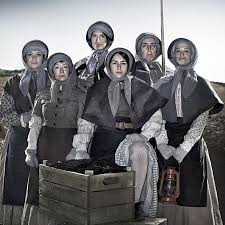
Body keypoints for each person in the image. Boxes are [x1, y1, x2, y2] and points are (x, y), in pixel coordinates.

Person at [66, 47, 168, 220]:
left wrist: (143, 136)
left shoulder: (139, 86)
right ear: (108, 65)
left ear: (128, 66)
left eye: (123, 63)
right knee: (102, 185)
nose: (119, 67)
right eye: (114, 63)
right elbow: (86, 123)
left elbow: (155, 117)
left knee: (141, 150)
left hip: (129, 138)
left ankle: (132, 204)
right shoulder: (98, 88)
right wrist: (81, 148)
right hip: (104, 140)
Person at [156, 38, 224, 225]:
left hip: (191, 143)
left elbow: (200, 120)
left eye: (186, 51)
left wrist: (184, 148)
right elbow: (157, 116)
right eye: (178, 51)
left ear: (192, 54)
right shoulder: (163, 83)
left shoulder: (201, 83)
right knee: (166, 186)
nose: (182, 54)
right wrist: (162, 143)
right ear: (172, 55)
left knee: (192, 187)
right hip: (167, 139)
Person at [23, 52, 86, 225]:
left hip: (67, 146)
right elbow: (35, 125)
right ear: (51, 71)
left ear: (71, 70)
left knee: (65, 191)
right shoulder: (42, 95)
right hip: (45, 147)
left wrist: (78, 150)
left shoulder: (80, 95)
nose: (61, 71)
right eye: (57, 68)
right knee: (40, 190)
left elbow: (84, 126)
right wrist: (31, 150)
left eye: (65, 67)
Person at [0, 40, 49, 225]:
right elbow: (3, 112)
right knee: (17, 183)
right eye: (30, 54)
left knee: (41, 183)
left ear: (44, 57)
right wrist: (23, 119)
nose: (34, 58)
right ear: (24, 58)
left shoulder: (54, 79)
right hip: (19, 137)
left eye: (38, 54)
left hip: (45, 138)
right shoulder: (13, 82)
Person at [75, 21, 114, 92]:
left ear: (107, 39)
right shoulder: (82, 62)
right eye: (94, 36)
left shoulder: (114, 59)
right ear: (90, 40)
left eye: (102, 36)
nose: (98, 40)